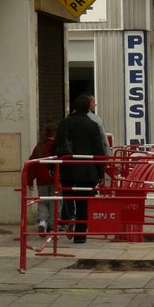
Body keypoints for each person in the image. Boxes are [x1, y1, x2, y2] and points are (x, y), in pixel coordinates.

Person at [54, 94, 108, 244]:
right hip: (87, 170)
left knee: (68, 195)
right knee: (84, 201)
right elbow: (98, 149)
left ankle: (71, 216)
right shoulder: (92, 125)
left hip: (68, 168)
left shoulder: (65, 123)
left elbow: (57, 144)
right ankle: (80, 236)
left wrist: (53, 166)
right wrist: (100, 171)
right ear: (88, 107)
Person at [27, 122, 57, 233]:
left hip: (41, 180)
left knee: (43, 201)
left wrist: (29, 180)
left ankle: (43, 222)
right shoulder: (57, 146)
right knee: (55, 201)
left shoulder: (39, 147)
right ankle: (53, 224)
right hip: (55, 179)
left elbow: (31, 164)